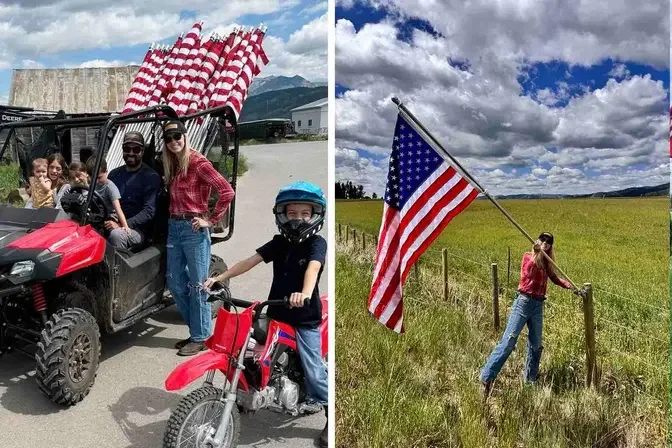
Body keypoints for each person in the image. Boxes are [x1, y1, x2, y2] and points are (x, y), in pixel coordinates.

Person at [203, 181, 329, 448]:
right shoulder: (279, 242)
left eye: (305, 213)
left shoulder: (316, 244)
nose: (298, 219)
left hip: (304, 318)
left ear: (315, 215)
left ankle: (333, 414)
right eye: (292, 213)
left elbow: (313, 269)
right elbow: (250, 261)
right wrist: (220, 279)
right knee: (247, 348)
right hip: (276, 312)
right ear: (282, 215)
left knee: (316, 374)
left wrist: (304, 293)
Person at [161, 119, 234, 356]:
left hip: (194, 227)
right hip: (174, 225)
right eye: (169, 139)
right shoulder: (170, 163)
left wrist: (211, 221)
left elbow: (226, 191)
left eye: (177, 137)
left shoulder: (198, 162)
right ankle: (197, 331)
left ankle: (201, 336)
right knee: (174, 281)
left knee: (198, 284)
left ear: (184, 136)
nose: (173, 142)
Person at [480, 232, 585, 396]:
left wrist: (571, 286)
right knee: (509, 341)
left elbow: (555, 278)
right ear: (537, 241)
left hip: (538, 305)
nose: (545, 243)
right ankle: (487, 378)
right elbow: (528, 271)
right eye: (543, 239)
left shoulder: (547, 262)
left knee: (535, 345)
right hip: (523, 302)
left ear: (551, 246)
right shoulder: (528, 257)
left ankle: (530, 380)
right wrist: (537, 253)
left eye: (549, 241)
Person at [107, 131, 162, 249]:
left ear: (142, 152)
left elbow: (149, 212)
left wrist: (121, 224)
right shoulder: (114, 174)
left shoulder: (150, 177)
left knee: (117, 235)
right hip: (114, 221)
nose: (131, 153)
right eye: (127, 149)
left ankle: (117, 267)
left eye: (136, 150)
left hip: (138, 230)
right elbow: (106, 201)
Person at [85, 157, 131, 236]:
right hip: (96, 214)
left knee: (100, 229)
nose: (96, 181)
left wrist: (125, 225)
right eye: (93, 178)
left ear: (106, 172)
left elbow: (118, 208)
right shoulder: (92, 185)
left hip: (109, 216)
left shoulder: (110, 187)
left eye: (99, 177)